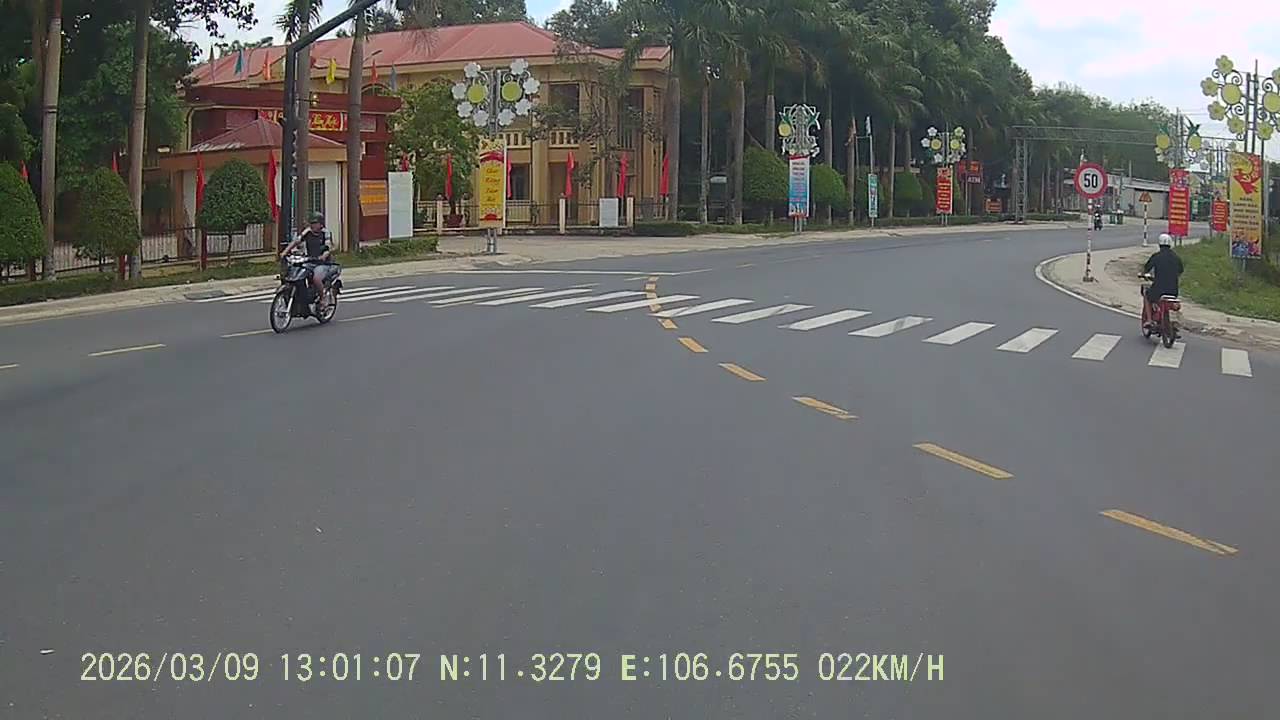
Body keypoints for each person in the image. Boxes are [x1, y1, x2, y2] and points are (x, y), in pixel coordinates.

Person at [280, 213, 334, 310]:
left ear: (321, 224)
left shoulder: (325, 233)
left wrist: (323, 256)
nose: (313, 225)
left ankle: (323, 298)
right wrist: (285, 252)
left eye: (315, 223)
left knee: (316, 278)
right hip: (309, 261)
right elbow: (296, 241)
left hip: (322, 263)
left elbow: (328, 247)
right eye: (311, 223)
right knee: (296, 274)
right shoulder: (307, 232)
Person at [1142, 233, 1183, 326]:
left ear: (1159, 244)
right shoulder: (1176, 257)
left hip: (1159, 289)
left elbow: (1146, 268)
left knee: (1147, 295)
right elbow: (1180, 270)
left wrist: (1143, 274)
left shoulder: (1156, 256)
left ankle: (1149, 320)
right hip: (1173, 290)